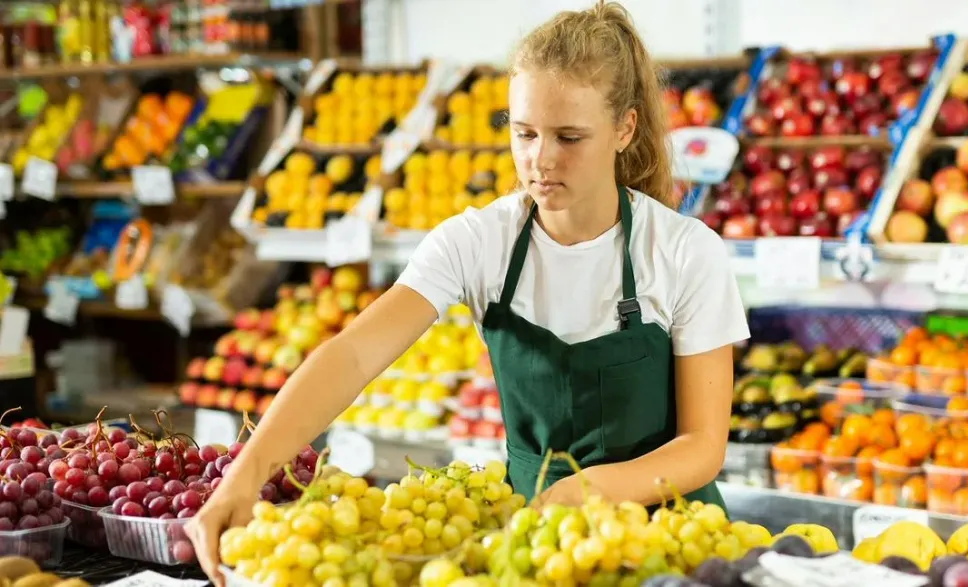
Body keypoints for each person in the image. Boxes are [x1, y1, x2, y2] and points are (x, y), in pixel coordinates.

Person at [187, 1, 750, 582]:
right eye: (524, 132)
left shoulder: (683, 251)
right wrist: (245, 473)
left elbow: (703, 445)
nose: (540, 160)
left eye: (569, 137)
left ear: (624, 128)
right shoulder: (477, 243)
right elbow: (352, 355)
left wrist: (595, 489)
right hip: (535, 545)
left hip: (675, 547)